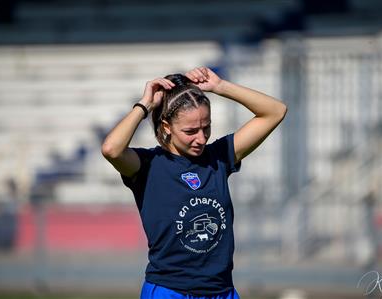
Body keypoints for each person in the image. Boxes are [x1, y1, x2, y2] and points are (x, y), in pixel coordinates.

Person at [101, 67, 287, 298]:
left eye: (206, 127)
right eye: (190, 131)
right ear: (167, 127)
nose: (201, 138)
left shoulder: (218, 157)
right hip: (170, 291)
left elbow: (275, 111)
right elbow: (111, 149)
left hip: (221, 291)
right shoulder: (148, 164)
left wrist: (220, 87)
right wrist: (145, 106)